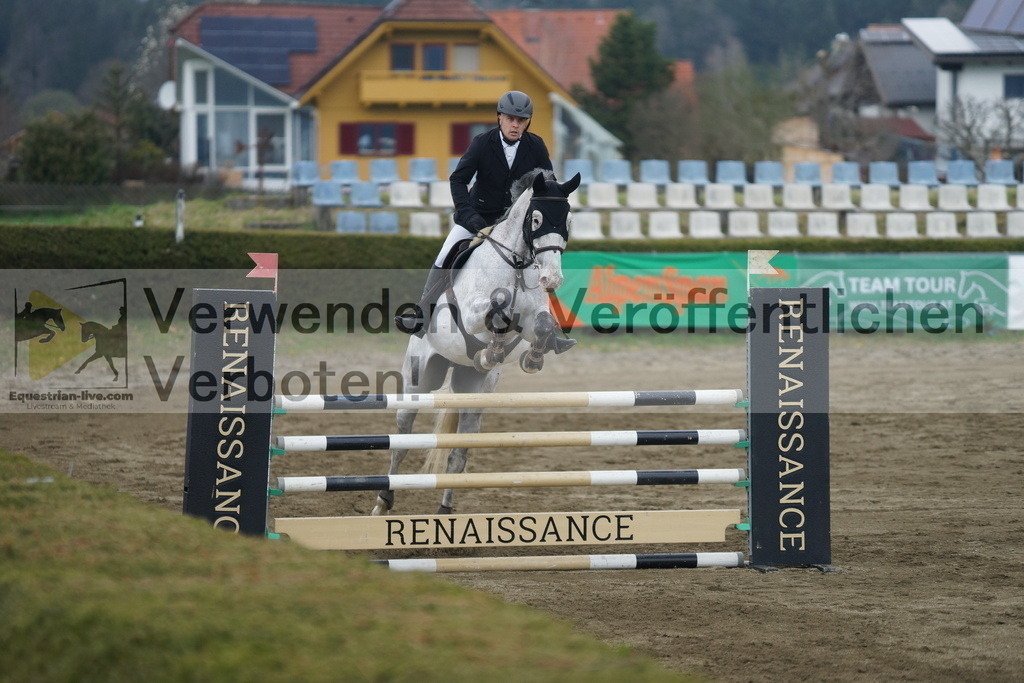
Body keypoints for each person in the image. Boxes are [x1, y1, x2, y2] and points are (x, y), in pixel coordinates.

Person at [395, 90, 554, 335]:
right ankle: (422, 312)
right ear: (500, 117)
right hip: (479, 217)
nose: (515, 124)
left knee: (547, 256)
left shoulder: (536, 146)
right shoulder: (482, 142)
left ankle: (550, 325)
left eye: (521, 120)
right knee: (447, 252)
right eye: (511, 118)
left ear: (527, 122)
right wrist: (468, 214)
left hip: (515, 224)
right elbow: (458, 180)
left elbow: (548, 184)